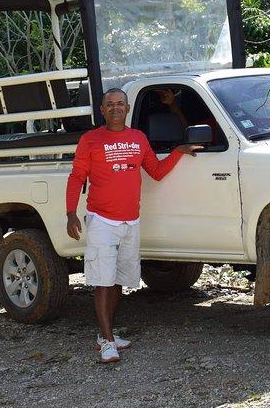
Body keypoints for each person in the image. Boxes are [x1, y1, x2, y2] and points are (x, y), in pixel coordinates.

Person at [65, 87, 202, 364]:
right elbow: (77, 177)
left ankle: (108, 336)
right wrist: (70, 213)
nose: (115, 108)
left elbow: (157, 172)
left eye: (120, 104)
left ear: (127, 109)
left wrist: (177, 151)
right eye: (109, 104)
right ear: (102, 110)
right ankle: (106, 342)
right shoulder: (90, 140)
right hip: (102, 220)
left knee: (117, 281)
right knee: (103, 282)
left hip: (130, 221)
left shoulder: (138, 138)